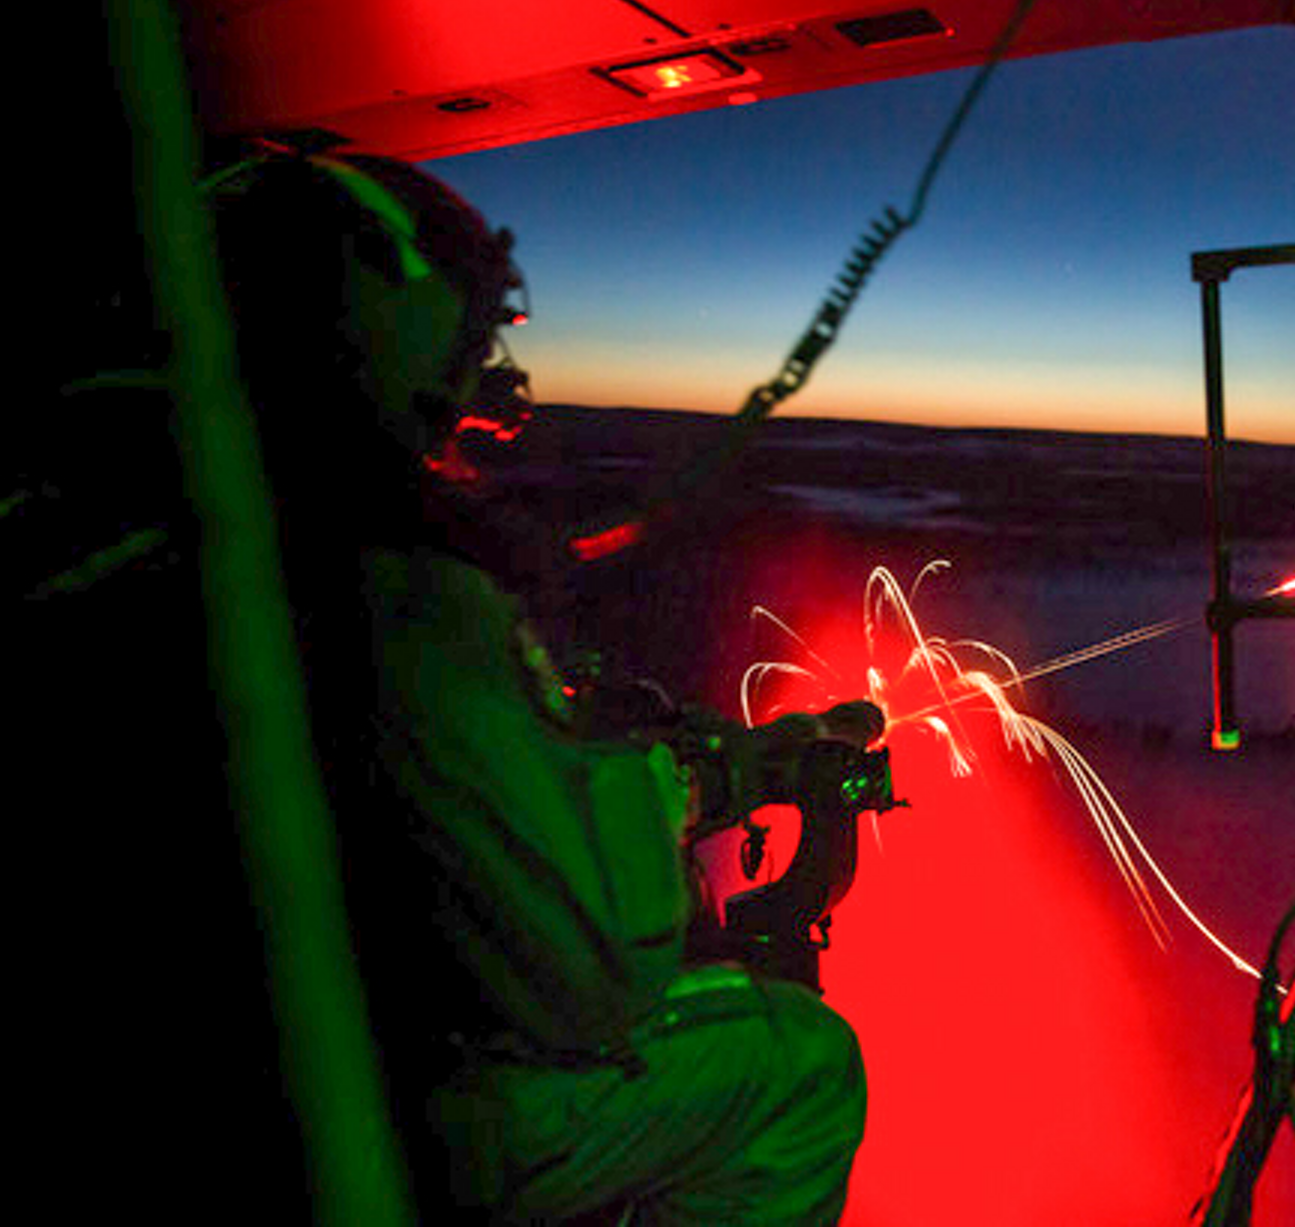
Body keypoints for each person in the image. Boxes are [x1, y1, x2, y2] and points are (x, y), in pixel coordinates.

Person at [200, 147, 871, 1223]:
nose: (484, 380)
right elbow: (582, 976)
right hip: (385, 1098)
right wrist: (705, 782)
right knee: (801, 1064)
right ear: (390, 314)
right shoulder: (393, 586)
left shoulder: (213, 500)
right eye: (468, 342)